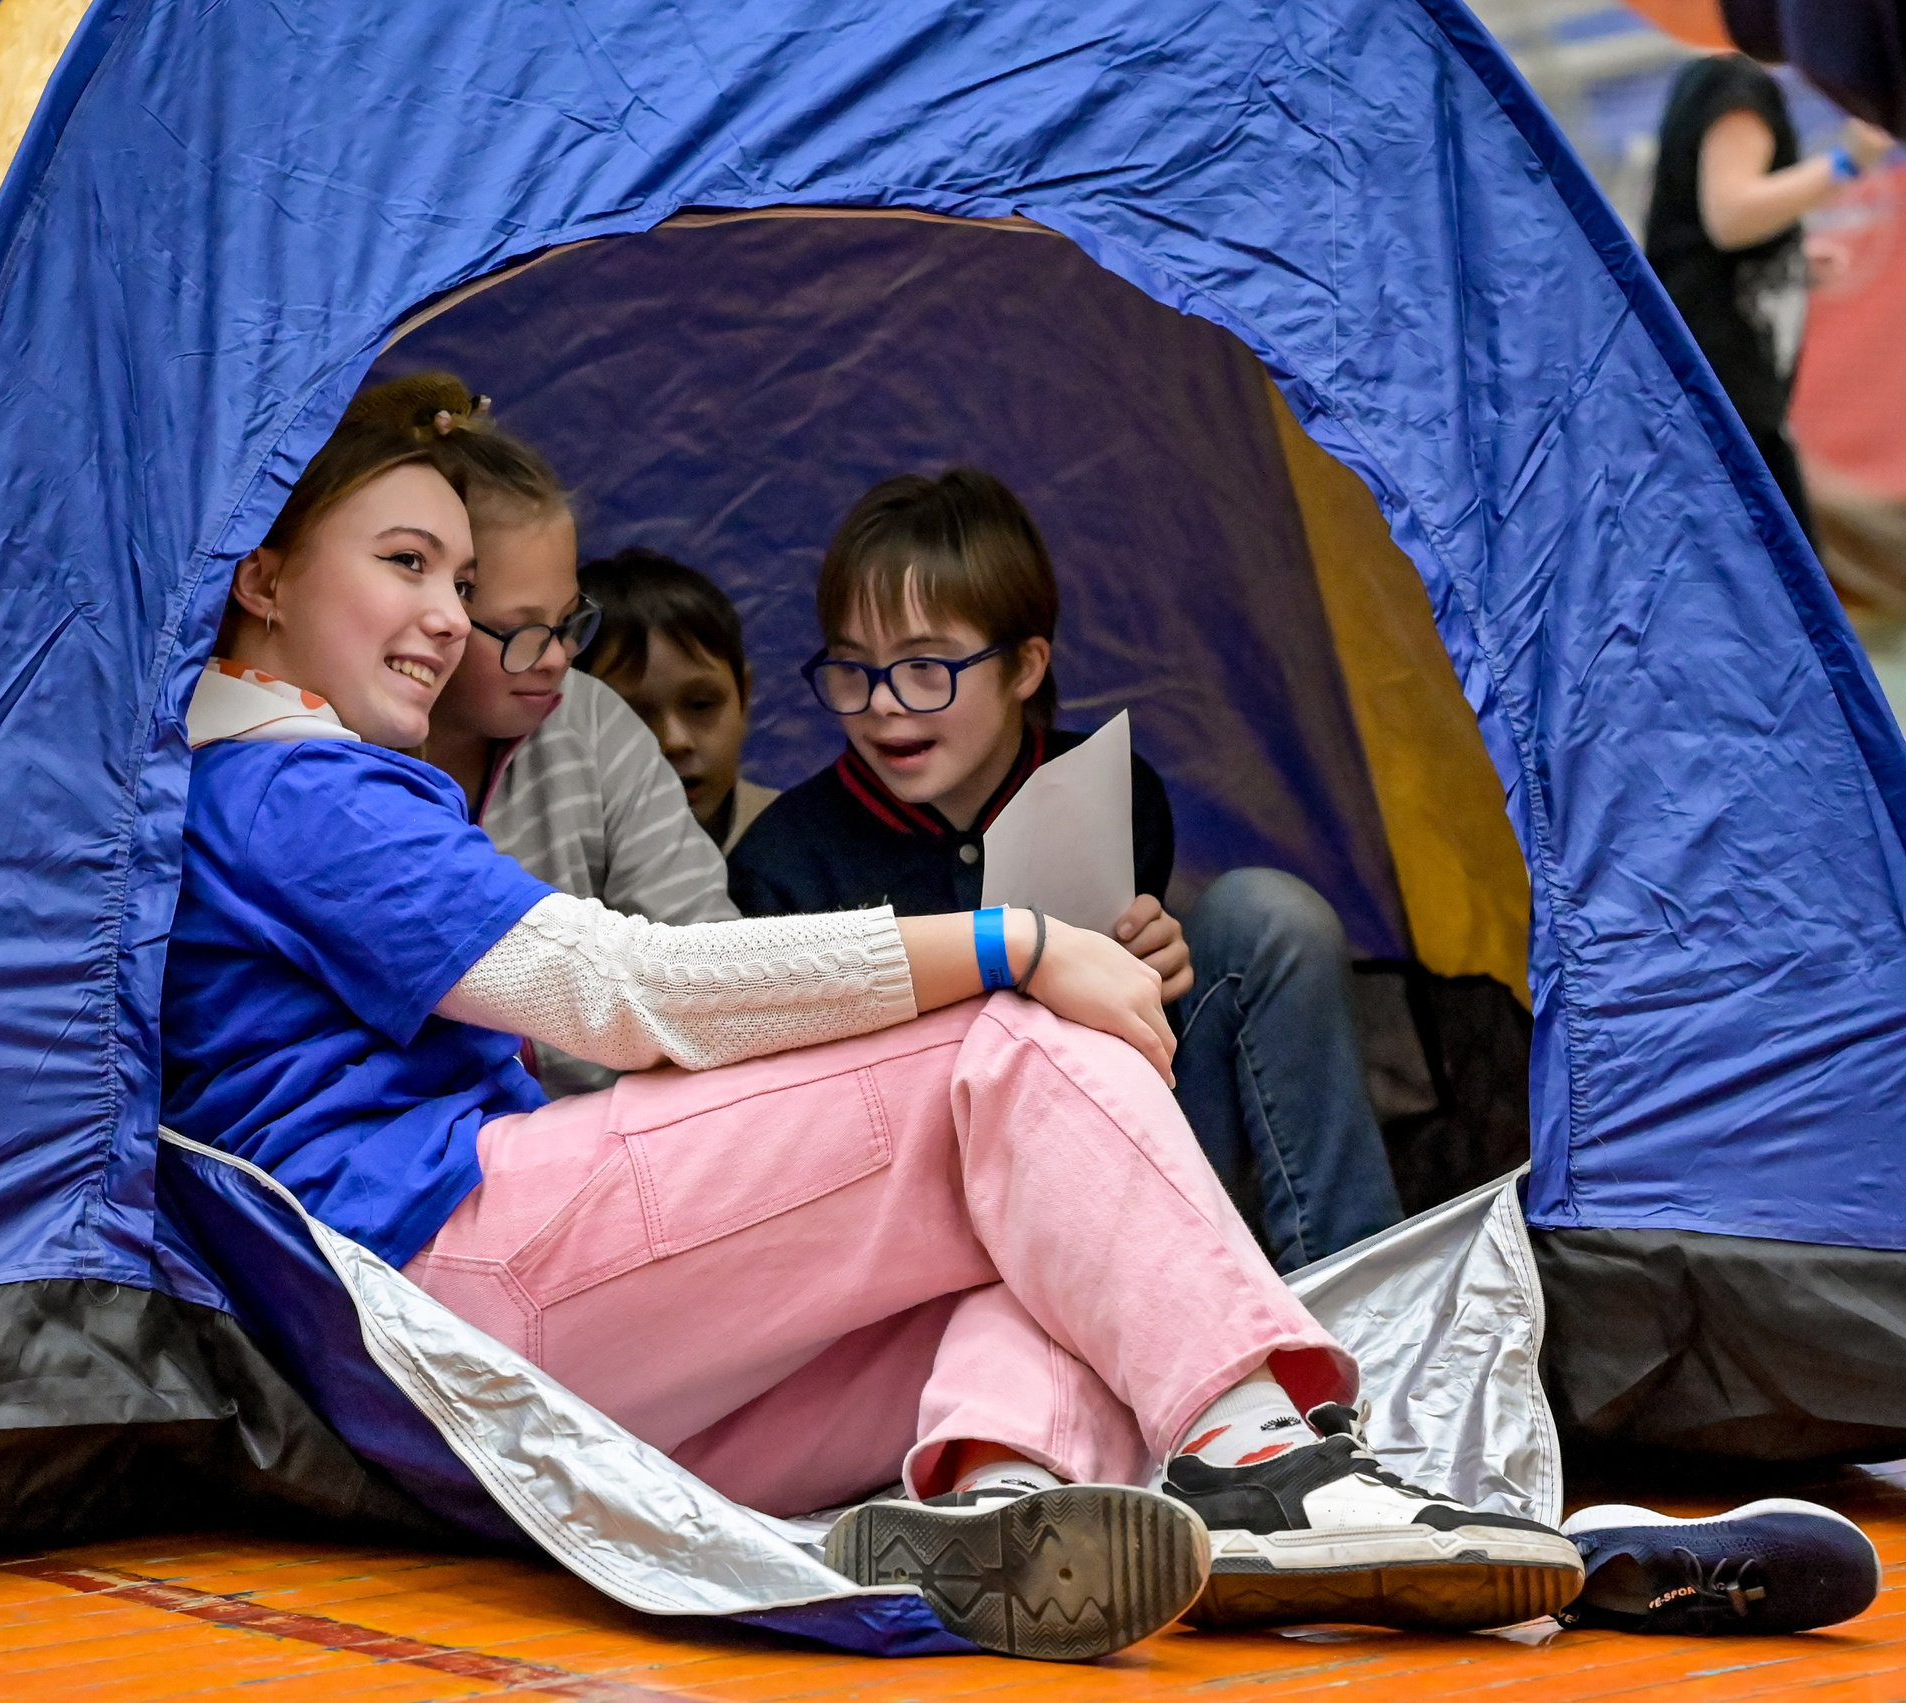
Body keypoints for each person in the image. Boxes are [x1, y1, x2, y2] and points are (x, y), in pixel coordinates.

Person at [159, 408, 1581, 1658]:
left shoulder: (260, 789)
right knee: (1007, 1040)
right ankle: (1272, 1460)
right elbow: (617, 990)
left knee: (1057, 1260)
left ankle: (996, 1505)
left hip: (489, 1394)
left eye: (461, 582)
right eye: (406, 563)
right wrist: (1015, 944)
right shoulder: (297, 789)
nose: (449, 619)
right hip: (456, 1283)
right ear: (263, 578)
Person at [728, 470, 1403, 1273]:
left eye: (924, 667)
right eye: (852, 668)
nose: (882, 703)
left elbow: (1135, 1041)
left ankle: (1362, 1295)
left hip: (1129, 1156)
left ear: (1024, 667)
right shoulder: (784, 863)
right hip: (941, 1221)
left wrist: (1150, 972)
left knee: (1268, 915)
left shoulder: (1112, 790)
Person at [370, 375, 737, 1096]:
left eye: (569, 621)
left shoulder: (593, 722)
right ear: (437, 612)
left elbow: (705, 954)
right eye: (522, 630)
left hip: (611, 1126)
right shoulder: (338, 768)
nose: (558, 657)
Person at [1646, 52, 1891, 543]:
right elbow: (1730, 216)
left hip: (1714, 398)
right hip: (1722, 400)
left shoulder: (1708, 82)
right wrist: (1848, 161)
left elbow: (1701, 233)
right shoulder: (1735, 84)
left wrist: (1789, 257)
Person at [577, 547, 780, 852]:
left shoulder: (799, 845)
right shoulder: (530, 864)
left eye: (701, 705)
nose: (674, 741)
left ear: (744, 698)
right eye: (629, 717)